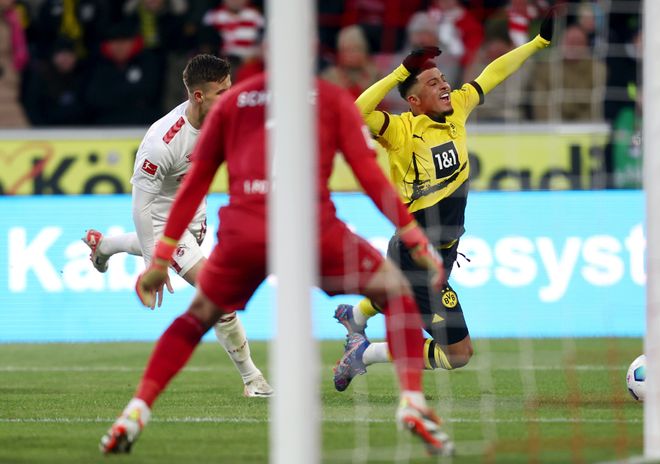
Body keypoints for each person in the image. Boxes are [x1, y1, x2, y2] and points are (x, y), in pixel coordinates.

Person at [99, 75, 455, 456]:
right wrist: (413, 235)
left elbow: (196, 184)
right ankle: (412, 401)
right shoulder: (333, 99)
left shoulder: (233, 102)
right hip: (313, 228)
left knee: (197, 316)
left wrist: (161, 257)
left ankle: (136, 411)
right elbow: (369, 177)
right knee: (397, 289)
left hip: (247, 231)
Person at [330, 8, 555, 391]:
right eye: (433, 83)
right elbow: (357, 111)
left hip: (445, 248)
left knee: (396, 296)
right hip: (419, 255)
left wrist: (538, 42)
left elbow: (493, 73)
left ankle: (356, 316)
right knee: (458, 354)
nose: (445, 85)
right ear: (415, 100)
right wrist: (402, 72)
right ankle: (363, 353)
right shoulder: (401, 130)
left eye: (444, 78)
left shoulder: (458, 111)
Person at [82, 54, 272, 398]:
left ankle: (104, 246)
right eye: (221, 91)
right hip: (161, 218)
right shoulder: (162, 143)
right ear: (198, 96)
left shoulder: (226, 117)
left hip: (194, 214)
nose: (230, 97)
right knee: (218, 295)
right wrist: (153, 263)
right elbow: (140, 207)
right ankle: (252, 379)